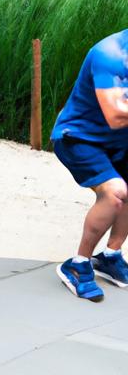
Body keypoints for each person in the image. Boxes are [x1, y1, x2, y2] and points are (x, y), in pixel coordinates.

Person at [53, 29, 128, 302]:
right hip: (79, 137)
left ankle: (110, 257)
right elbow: (116, 114)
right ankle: (78, 264)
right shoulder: (110, 54)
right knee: (115, 192)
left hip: (120, 140)